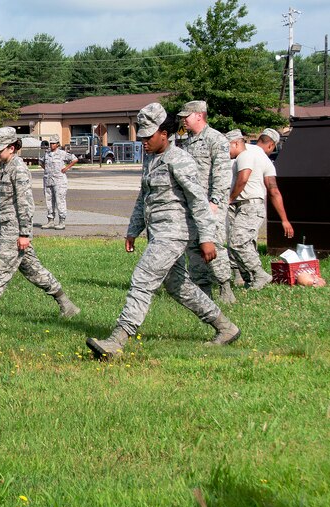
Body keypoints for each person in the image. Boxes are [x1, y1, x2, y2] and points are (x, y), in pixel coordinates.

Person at [86, 103, 240, 359]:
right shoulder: (151, 159)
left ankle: (118, 339)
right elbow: (143, 196)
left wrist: (207, 238)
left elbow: (199, 201)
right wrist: (133, 230)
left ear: (164, 134)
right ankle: (225, 327)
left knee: (143, 277)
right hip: (158, 233)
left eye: (149, 136)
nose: (143, 141)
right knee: (179, 286)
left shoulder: (179, 160)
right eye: (142, 136)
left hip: (174, 233)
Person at [0, 127, 79, 326]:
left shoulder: (18, 169)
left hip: (15, 231)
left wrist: (24, 233)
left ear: (12, 148)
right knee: (34, 270)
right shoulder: (6, 166)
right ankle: (67, 305)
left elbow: (25, 204)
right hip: (10, 229)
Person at [178, 100, 234, 304]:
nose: (183, 120)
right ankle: (202, 288)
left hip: (211, 203)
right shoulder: (186, 142)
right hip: (192, 204)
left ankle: (225, 286)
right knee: (193, 246)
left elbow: (222, 174)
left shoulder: (216, 139)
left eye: (187, 116)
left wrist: (215, 201)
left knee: (214, 243)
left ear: (199, 115)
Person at [224, 129, 293, 290]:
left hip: (239, 203)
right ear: (271, 145)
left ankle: (252, 276)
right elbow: (273, 190)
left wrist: (229, 199)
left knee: (236, 242)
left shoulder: (243, 150)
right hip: (247, 202)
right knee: (244, 242)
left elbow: (242, 178)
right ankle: (252, 277)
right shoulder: (261, 158)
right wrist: (284, 219)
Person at [40, 135, 77, 230]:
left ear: (57, 144)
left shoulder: (62, 153)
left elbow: (74, 159)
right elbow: (41, 162)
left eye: (53, 143)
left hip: (59, 181)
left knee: (60, 200)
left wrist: (66, 168)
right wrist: (47, 170)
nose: (51, 145)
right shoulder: (47, 154)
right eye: (50, 143)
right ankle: (50, 220)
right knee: (49, 201)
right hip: (48, 180)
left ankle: (62, 221)